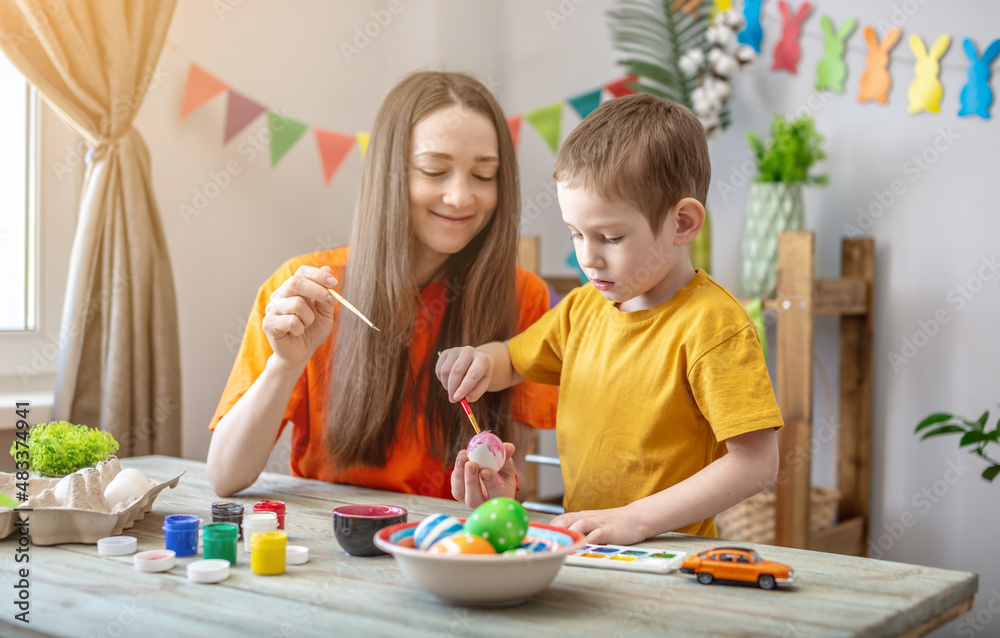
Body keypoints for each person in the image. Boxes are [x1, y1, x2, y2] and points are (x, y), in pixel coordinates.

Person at [436, 94, 782, 545]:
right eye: (575, 234)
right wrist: (479, 360)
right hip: (587, 547)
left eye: (610, 237)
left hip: (669, 559)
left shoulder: (713, 326)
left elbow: (756, 464)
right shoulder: (582, 308)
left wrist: (635, 519)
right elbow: (511, 360)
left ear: (682, 223)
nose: (588, 258)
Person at [206, 71, 557, 499]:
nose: (460, 197)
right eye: (434, 170)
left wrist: (497, 493)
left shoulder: (524, 298)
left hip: (448, 537)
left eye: (484, 175)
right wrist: (285, 364)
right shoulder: (309, 291)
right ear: (390, 173)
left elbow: (514, 484)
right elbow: (225, 476)